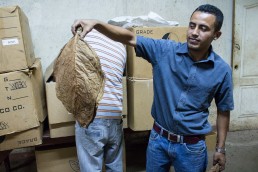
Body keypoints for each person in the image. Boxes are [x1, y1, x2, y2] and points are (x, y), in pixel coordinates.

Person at [72, 4, 234, 172]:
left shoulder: (222, 71)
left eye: (203, 28)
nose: (194, 32)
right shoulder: (164, 50)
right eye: (192, 25)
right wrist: (97, 24)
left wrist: (220, 149)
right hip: (158, 141)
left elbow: (224, 111)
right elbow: (130, 38)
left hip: (191, 148)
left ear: (217, 35)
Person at [73, 29, 127, 172]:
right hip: (115, 117)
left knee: (91, 168)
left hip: (92, 118)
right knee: (115, 167)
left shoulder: (85, 38)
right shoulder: (121, 46)